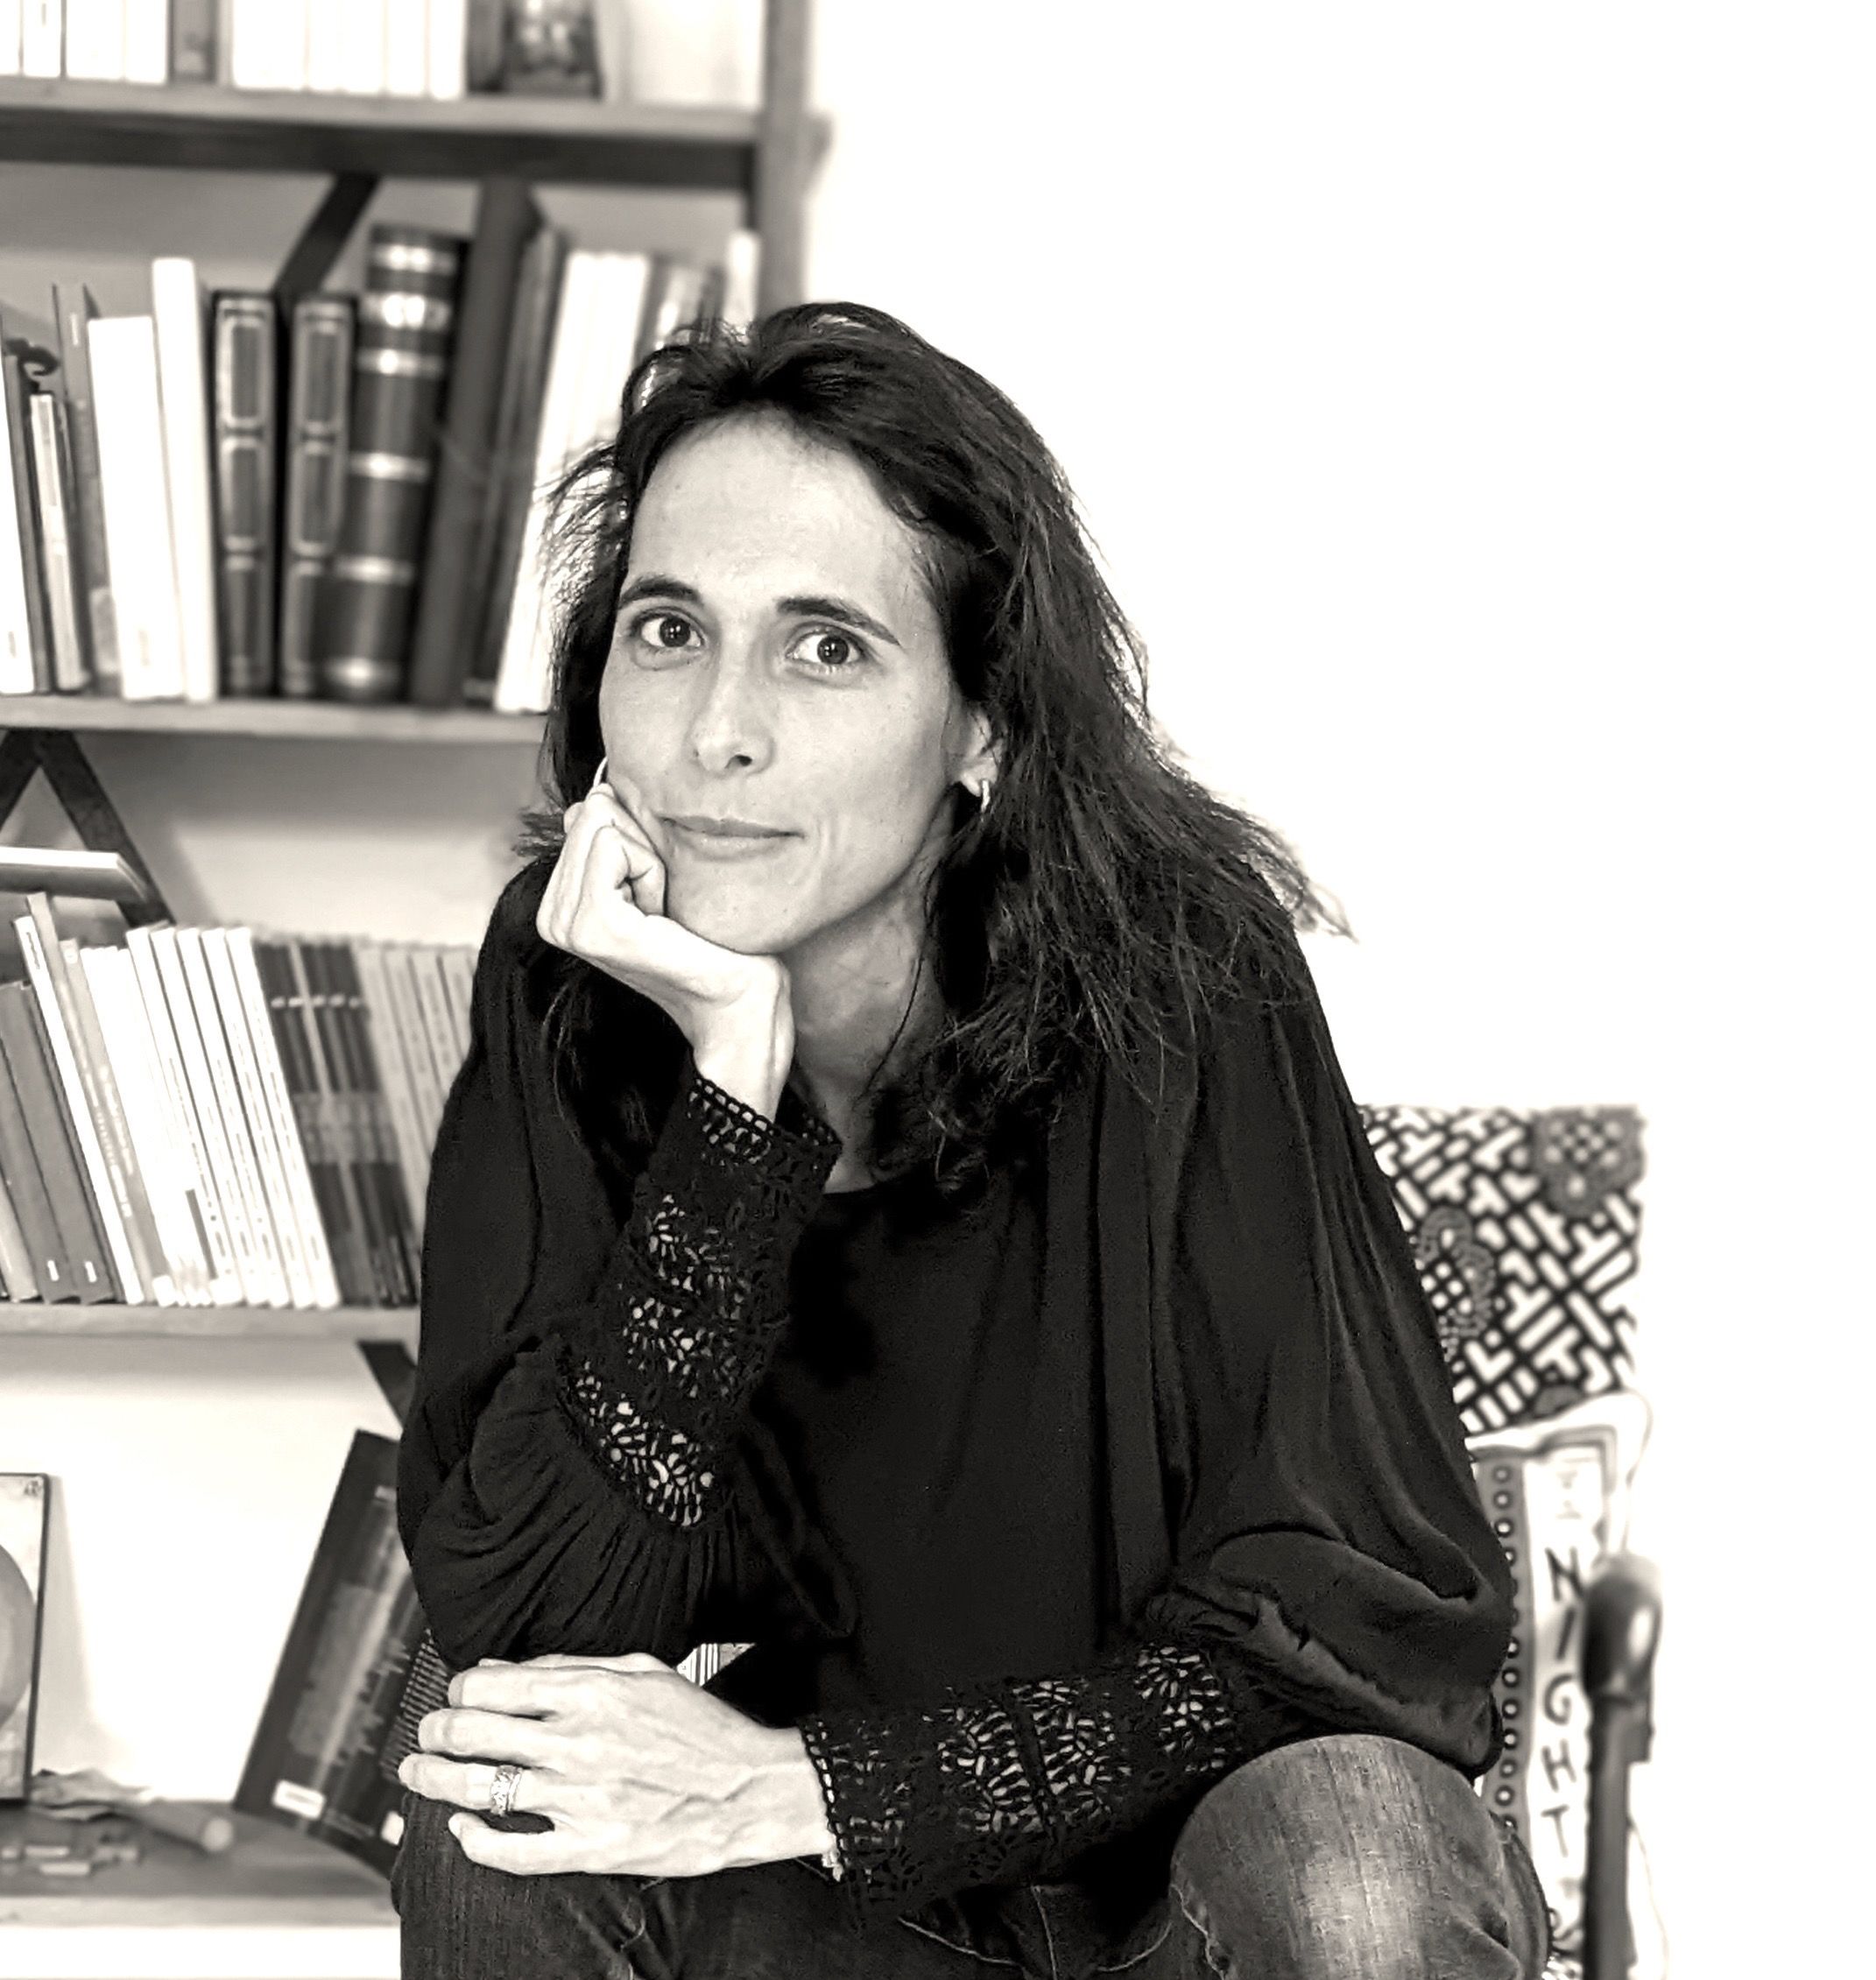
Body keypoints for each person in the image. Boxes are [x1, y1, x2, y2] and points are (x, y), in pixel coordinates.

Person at [390, 301, 1553, 1980]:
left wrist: (811, 1786)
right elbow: (521, 1618)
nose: (716, 730)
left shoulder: (1185, 976)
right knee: (498, 1781)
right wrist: (731, 1095)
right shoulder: (575, 980)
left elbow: (1361, 1641)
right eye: (668, 628)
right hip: (839, 1922)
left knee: (1354, 1851)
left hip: (1176, 1905)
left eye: (825, 647)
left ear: (982, 727)